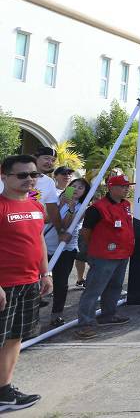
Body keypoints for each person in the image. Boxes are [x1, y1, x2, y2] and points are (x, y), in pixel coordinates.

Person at [0, 155, 52, 411]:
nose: (29, 180)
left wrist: (46, 273)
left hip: (30, 282)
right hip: (4, 286)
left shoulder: (36, 207)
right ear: (4, 176)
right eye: (22, 175)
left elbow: (39, 241)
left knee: (15, 338)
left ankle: (4, 392)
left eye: (33, 175)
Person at [74, 175, 136, 339]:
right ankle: (84, 324)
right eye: (122, 186)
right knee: (94, 290)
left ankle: (108, 314)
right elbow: (86, 232)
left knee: (115, 287)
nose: (126, 188)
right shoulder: (97, 208)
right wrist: (97, 248)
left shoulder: (126, 204)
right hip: (103, 256)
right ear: (111, 187)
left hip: (122, 254)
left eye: (127, 186)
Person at [46, 177, 92, 327]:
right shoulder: (54, 199)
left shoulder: (82, 207)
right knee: (35, 281)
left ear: (85, 193)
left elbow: (66, 226)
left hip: (65, 249)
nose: (76, 189)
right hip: (44, 246)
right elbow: (46, 219)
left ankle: (56, 315)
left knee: (61, 283)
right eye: (74, 186)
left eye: (81, 188)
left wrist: (71, 208)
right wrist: (59, 205)